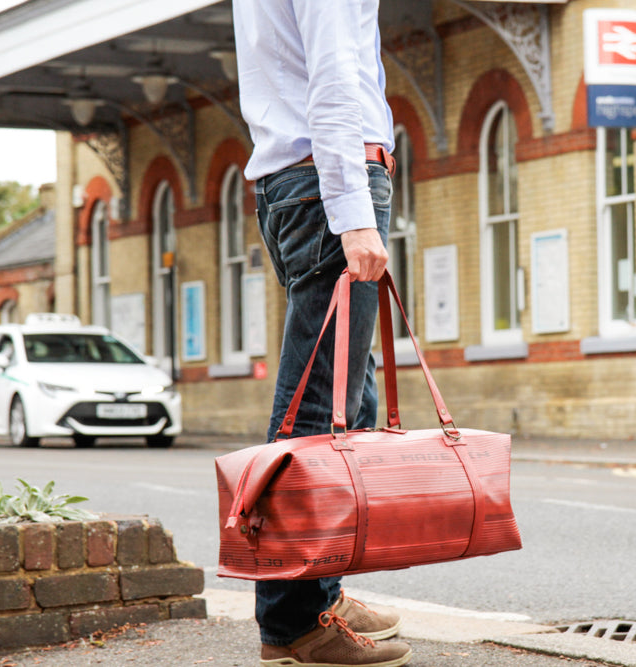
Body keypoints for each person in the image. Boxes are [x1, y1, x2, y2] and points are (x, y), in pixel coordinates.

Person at [231, 1, 412, 666]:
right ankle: (292, 624)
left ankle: (320, 592)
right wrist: (353, 213)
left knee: (347, 404)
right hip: (327, 180)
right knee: (314, 415)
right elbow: (333, 78)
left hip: (294, 181)